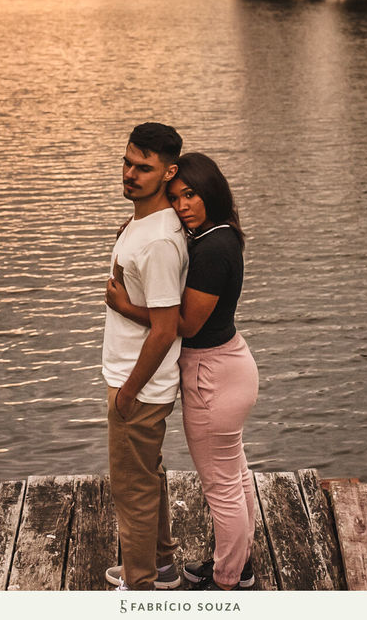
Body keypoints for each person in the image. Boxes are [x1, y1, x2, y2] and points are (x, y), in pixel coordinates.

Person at [106, 152, 259, 591]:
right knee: (236, 474)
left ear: (211, 190)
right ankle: (239, 565)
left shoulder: (213, 249)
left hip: (211, 374)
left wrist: (125, 306)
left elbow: (182, 325)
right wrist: (136, 231)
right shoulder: (218, 234)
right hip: (230, 364)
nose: (182, 206)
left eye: (190, 195)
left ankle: (228, 581)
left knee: (221, 487)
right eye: (175, 197)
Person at [102, 122, 188, 591]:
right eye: (127, 162)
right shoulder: (145, 224)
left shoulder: (157, 243)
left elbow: (165, 328)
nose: (130, 174)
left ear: (168, 171)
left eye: (144, 168)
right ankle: (161, 567)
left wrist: (128, 394)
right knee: (146, 481)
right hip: (136, 382)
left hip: (138, 386)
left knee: (132, 493)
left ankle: (138, 591)